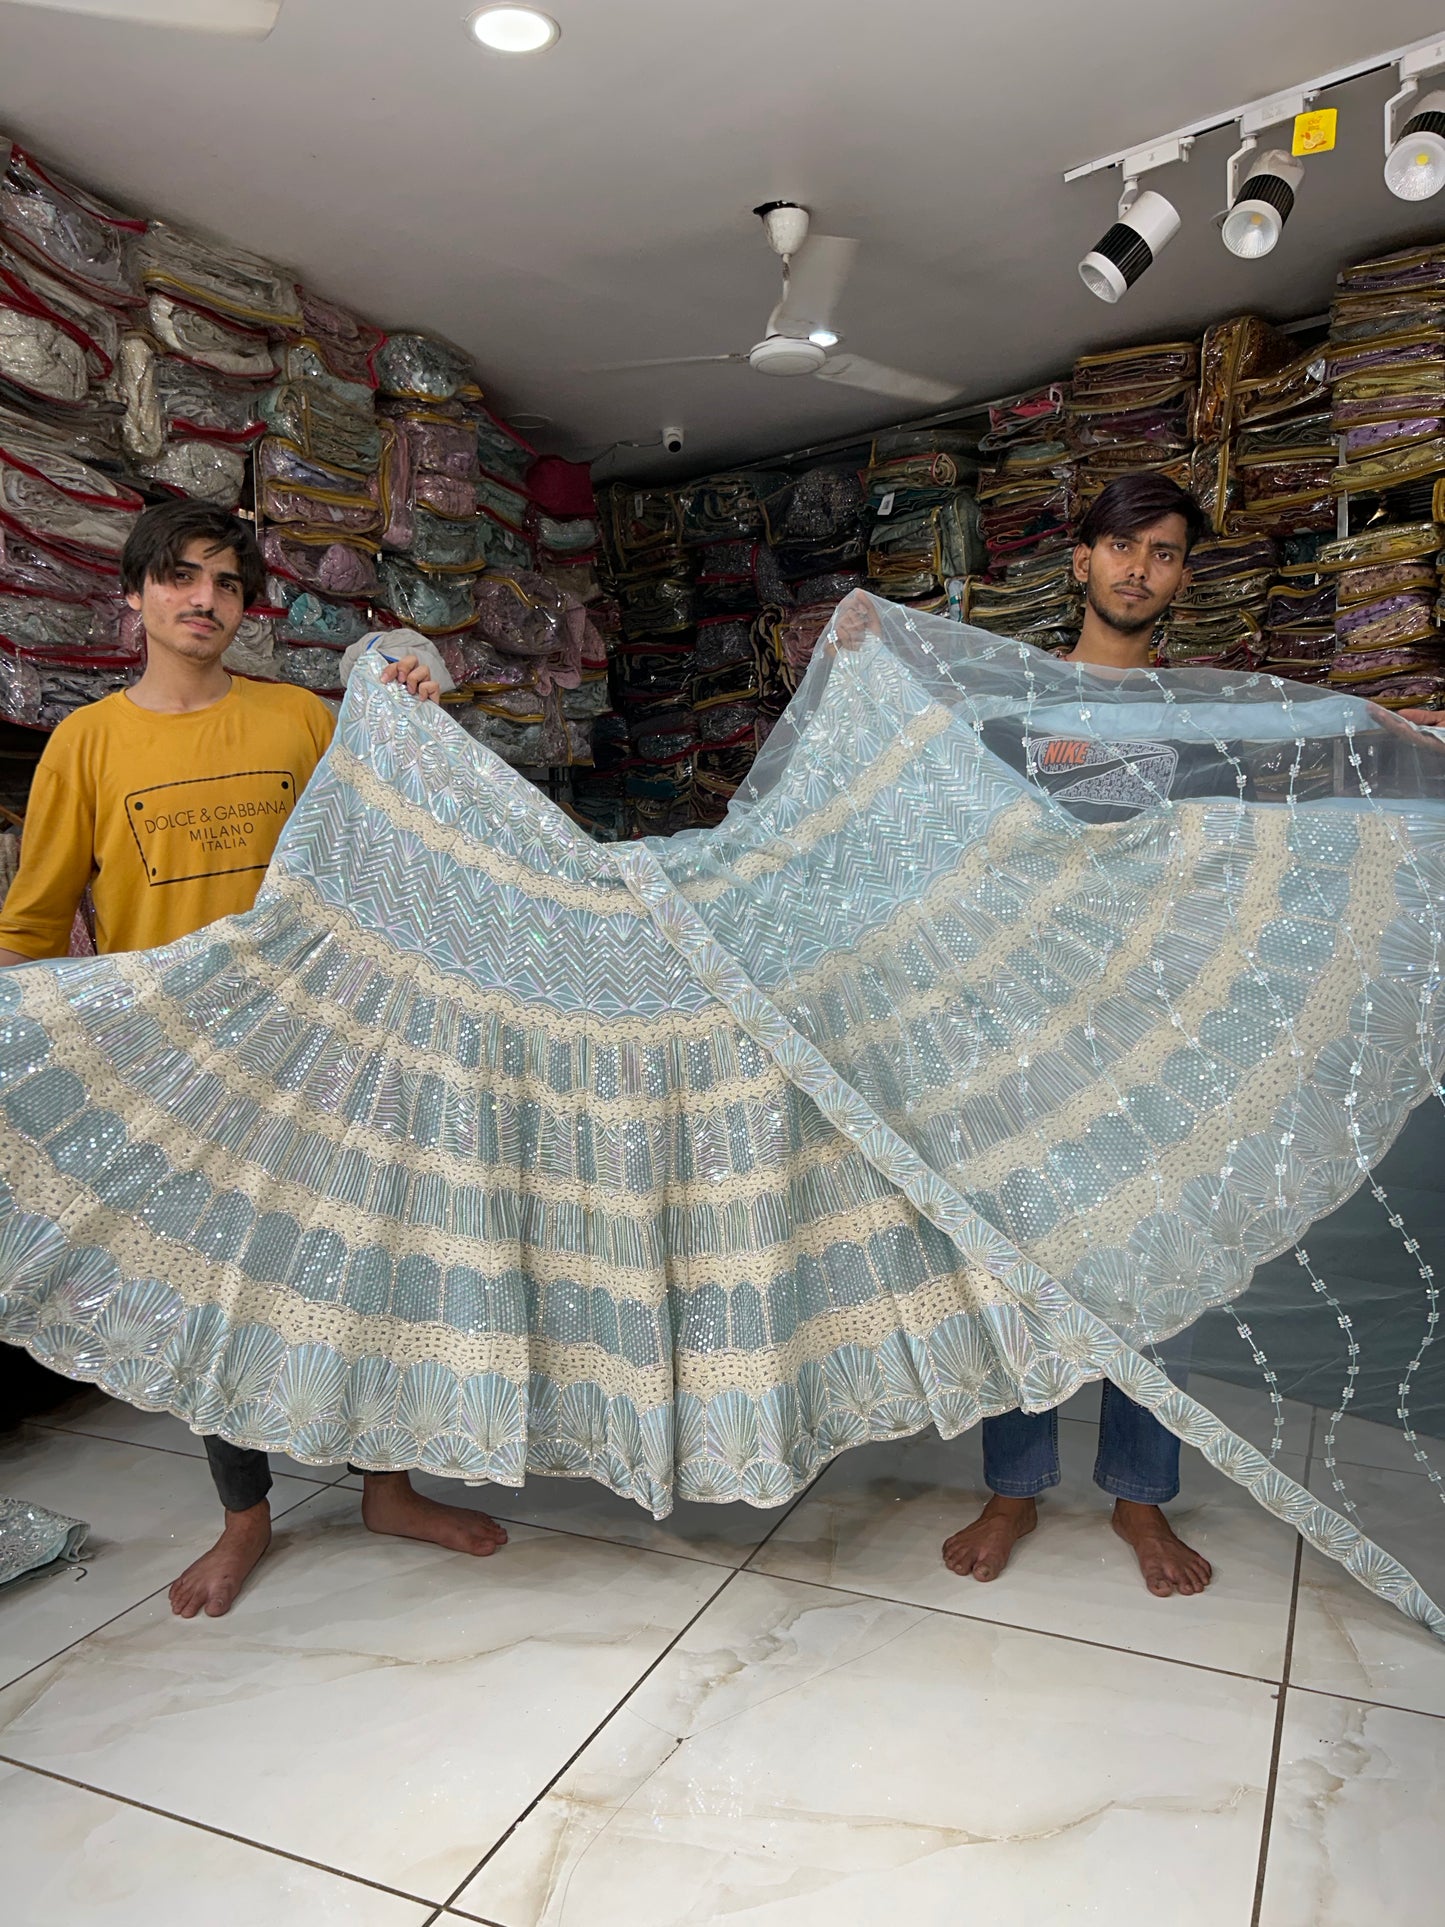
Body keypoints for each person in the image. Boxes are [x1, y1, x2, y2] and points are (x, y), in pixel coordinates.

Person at [0, 499, 507, 1617]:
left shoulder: (297, 721)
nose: (204, 602)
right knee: (214, 1297)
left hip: (331, 1055)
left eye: (227, 585)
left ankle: (389, 1484)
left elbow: (393, 836)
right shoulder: (87, 744)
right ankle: (246, 1517)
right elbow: (33, 924)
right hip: (181, 1076)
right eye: (179, 579)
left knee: (366, 1266)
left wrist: (420, 704)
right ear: (131, 598)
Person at [835, 470, 1214, 1598]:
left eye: (1163, 551)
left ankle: (1139, 1500)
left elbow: (1263, 819)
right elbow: (944, 821)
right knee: (1013, 1262)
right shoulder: (1015, 707)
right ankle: (1012, 1486)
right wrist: (864, 654)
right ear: (1081, 560)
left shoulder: (1200, 713)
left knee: (1160, 1264)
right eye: (1121, 546)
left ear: (1180, 574)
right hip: (1025, 1028)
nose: (1139, 568)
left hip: (1154, 1024)